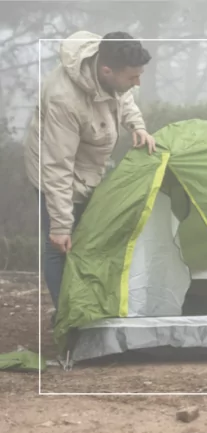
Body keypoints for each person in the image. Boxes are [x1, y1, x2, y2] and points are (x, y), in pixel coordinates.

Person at [23, 30, 155, 318]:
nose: (138, 82)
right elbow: (57, 166)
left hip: (87, 165)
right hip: (57, 173)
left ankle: (90, 307)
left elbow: (124, 97)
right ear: (107, 70)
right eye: (132, 77)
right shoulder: (64, 100)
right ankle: (70, 322)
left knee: (89, 237)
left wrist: (137, 126)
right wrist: (60, 223)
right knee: (61, 245)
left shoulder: (110, 69)